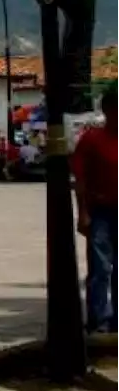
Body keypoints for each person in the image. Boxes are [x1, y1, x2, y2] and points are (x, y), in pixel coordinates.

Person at [74, 90, 119, 332]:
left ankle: (118, 320)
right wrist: (83, 212)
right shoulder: (92, 140)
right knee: (101, 268)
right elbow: (80, 180)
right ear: (109, 111)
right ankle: (99, 318)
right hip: (101, 211)